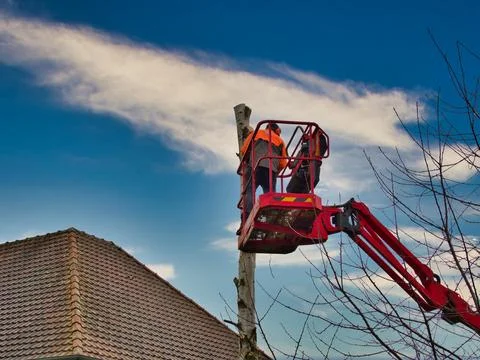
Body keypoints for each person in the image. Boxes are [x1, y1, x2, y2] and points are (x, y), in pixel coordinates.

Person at [239, 122, 288, 225]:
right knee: (270, 194)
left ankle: (247, 218)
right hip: (271, 171)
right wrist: (275, 171)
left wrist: (248, 160)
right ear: (276, 130)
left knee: (249, 191)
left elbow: (244, 150)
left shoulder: (255, 133)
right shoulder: (280, 141)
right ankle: (270, 217)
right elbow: (283, 163)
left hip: (254, 167)